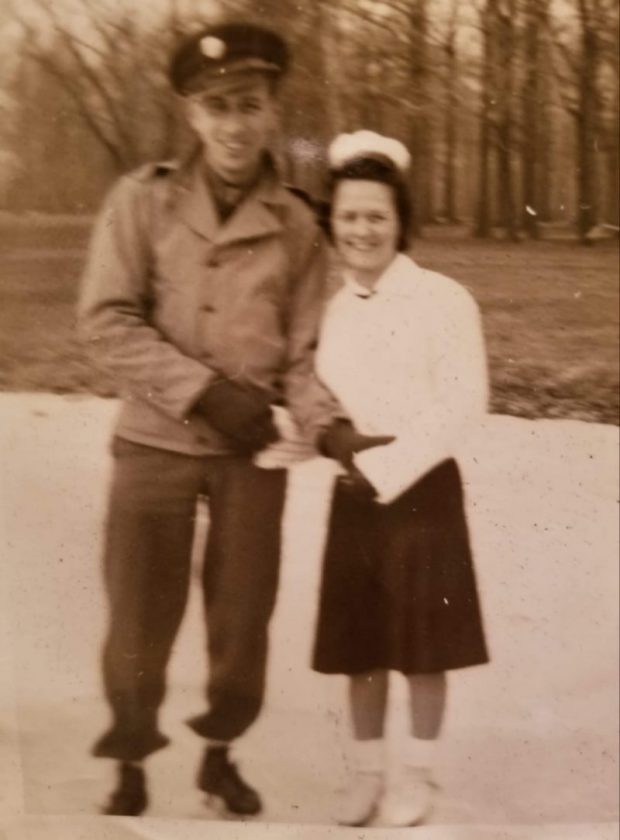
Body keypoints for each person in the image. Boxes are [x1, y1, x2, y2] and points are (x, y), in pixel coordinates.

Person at [78, 22, 344, 818]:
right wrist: (204, 392)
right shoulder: (143, 199)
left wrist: (325, 425)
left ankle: (219, 757)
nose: (236, 123)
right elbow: (105, 322)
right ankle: (129, 757)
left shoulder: (299, 223)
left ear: (273, 112)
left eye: (252, 104)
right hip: (154, 441)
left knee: (242, 619)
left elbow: (305, 353)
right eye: (219, 105)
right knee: (137, 615)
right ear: (192, 114)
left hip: (250, 457)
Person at [313, 131, 490, 827]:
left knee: (422, 647)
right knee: (359, 649)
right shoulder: (328, 310)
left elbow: (462, 403)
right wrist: (331, 440)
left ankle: (416, 775)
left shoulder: (444, 300)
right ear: (333, 222)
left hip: (420, 489)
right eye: (350, 215)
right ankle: (364, 775)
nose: (363, 229)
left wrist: (380, 465)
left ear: (401, 221)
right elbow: (316, 395)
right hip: (352, 495)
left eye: (377, 215)